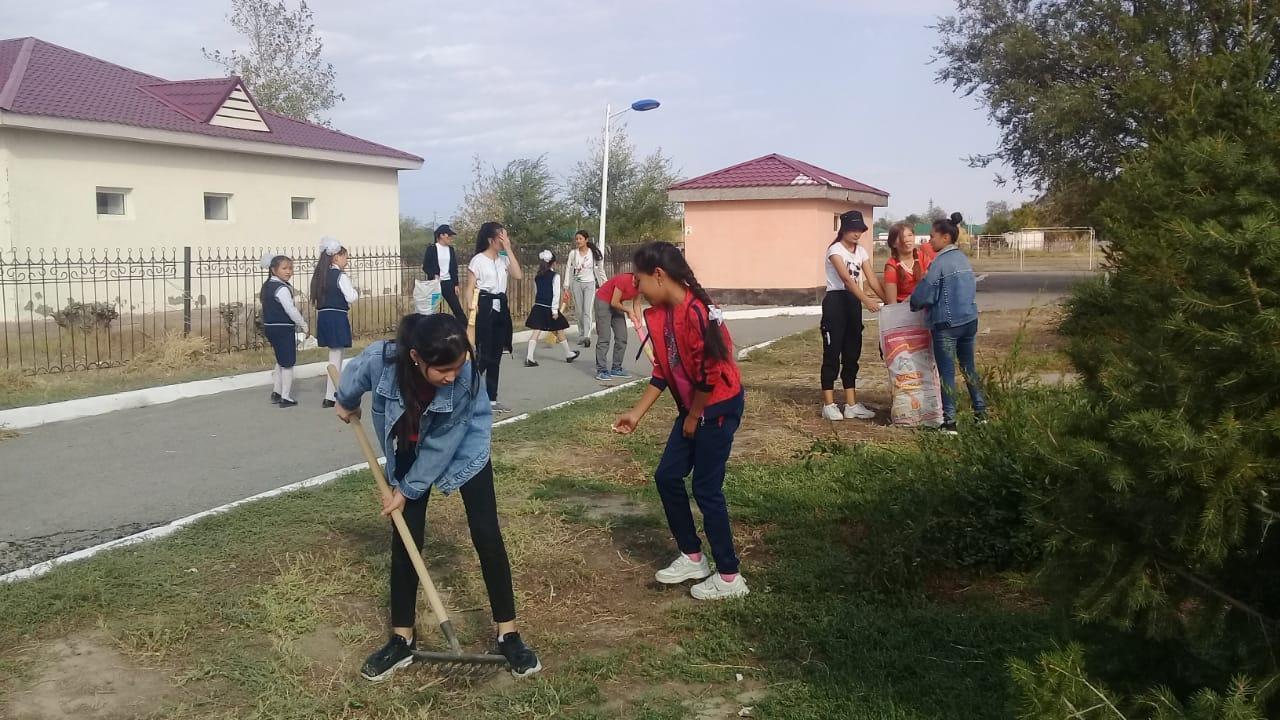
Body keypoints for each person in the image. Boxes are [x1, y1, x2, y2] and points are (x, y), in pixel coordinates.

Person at [335, 313, 542, 681]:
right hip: (408, 444)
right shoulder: (382, 360)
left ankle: (508, 634)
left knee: (486, 532)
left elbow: (443, 444)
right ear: (416, 357)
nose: (452, 375)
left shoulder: (464, 379)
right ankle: (401, 639)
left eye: (458, 366)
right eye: (443, 369)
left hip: (463, 445)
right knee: (406, 537)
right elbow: (353, 376)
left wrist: (407, 489)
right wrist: (345, 401)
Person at [612, 241, 748, 601]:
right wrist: (636, 414)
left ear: (658, 275)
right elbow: (663, 370)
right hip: (693, 410)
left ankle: (730, 577)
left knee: (706, 490)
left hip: (716, 408)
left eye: (639, 280)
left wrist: (694, 415)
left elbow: (712, 374)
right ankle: (693, 557)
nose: (637, 289)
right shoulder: (660, 314)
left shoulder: (698, 313)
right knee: (667, 476)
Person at [909, 212, 988, 434]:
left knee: (947, 373)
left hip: (947, 324)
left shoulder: (940, 263)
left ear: (945, 238)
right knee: (969, 368)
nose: (929, 241)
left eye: (932, 236)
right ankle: (981, 414)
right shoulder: (963, 259)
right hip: (969, 320)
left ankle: (950, 423)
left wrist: (914, 303)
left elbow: (924, 294)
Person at [820, 210, 887, 421]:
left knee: (852, 354)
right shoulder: (835, 250)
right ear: (844, 230)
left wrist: (889, 301)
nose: (857, 234)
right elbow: (847, 280)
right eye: (853, 229)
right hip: (836, 302)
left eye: (860, 230)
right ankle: (829, 404)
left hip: (853, 304)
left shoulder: (861, 252)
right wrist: (867, 300)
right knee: (832, 354)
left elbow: (872, 279)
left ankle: (851, 404)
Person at [463, 221, 523, 414]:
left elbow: (518, 275)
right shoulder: (478, 260)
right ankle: (465, 394)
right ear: (491, 240)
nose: (505, 240)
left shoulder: (504, 259)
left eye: (506, 237)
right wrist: (471, 305)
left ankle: (492, 399)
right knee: (484, 355)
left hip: (501, 307)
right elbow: (469, 287)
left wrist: (509, 249)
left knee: (496, 356)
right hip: (485, 306)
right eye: (501, 237)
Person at [311, 236, 358, 407]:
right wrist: (356, 290)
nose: (347, 261)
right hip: (337, 317)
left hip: (324, 316)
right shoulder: (340, 276)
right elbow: (351, 297)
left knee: (335, 354)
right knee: (336, 357)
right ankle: (331, 395)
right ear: (336, 257)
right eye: (345, 257)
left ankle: (333, 393)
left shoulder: (320, 276)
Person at [260, 253, 308, 408]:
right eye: (284, 268)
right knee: (288, 362)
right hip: (283, 328)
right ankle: (285, 397)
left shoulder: (267, 286)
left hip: (270, 327)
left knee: (280, 360)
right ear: (274, 270)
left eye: (291, 268)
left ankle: (276, 391)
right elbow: (291, 310)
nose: (289, 271)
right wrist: (303, 324)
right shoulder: (281, 288)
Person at [523, 250, 581, 367]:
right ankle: (568, 354)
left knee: (537, 331)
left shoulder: (537, 277)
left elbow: (536, 292)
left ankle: (529, 357)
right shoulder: (555, 276)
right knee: (559, 328)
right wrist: (554, 311)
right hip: (549, 308)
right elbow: (556, 294)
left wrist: (538, 303)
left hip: (538, 306)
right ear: (553, 263)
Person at [594, 271, 643, 382]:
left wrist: (638, 321)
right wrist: (628, 310)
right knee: (604, 337)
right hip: (603, 301)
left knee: (622, 337)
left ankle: (616, 368)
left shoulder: (641, 285)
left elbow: (637, 304)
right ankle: (601, 370)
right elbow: (614, 302)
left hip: (617, 304)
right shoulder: (624, 279)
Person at [566, 230, 605, 347]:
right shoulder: (573, 253)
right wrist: (566, 286)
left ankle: (587, 336)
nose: (578, 241)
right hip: (576, 284)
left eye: (580, 239)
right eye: (576, 239)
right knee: (579, 311)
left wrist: (605, 283)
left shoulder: (592, 253)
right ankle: (581, 334)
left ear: (586, 240)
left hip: (590, 284)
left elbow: (600, 269)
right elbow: (568, 269)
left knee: (587, 310)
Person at [882, 223, 935, 305]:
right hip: (902, 308)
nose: (907, 240)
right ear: (893, 244)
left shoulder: (923, 257)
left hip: (923, 306)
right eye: (902, 237)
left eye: (910, 235)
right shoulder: (891, 266)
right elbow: (892, 302)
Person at [422, 224, 465, 323]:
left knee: (457, 309)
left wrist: (456, 284)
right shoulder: (432, 249)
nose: (450, 238)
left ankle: (465, 328)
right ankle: (428, 328)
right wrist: (434, 275)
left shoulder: (451, 250)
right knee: (431, 310)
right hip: (435, 284)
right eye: (448, 235)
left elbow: (454, 268)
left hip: (448, 283)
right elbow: (426, 266)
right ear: (441, 235)